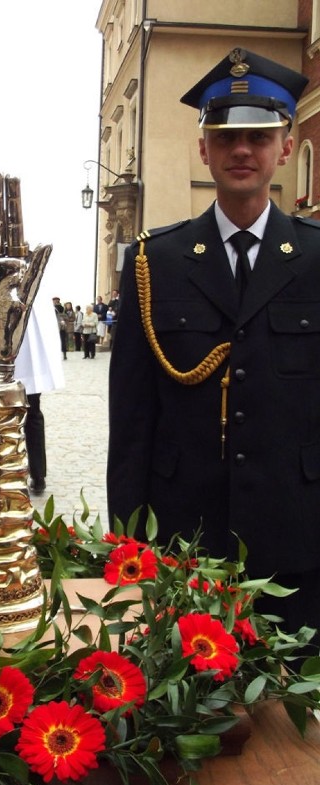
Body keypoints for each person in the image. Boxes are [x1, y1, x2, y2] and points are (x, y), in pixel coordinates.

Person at [107, 47, 320, 639]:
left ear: (285, 144)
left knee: (296, 716)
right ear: (204, 148)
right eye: (225, 137)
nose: (242, 151)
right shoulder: (155, 261)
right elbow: (132, 419)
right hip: (183, 538)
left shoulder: (317, 258)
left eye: (259, 137)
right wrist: (127, 543)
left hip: (298, 536)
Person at [15, 286, 65, 496]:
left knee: (26, 416)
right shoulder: (38, 286)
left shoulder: (36, 287)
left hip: (20, 361)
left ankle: (36, 473)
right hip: (24, 362)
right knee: (31, 415)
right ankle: (35, 473)